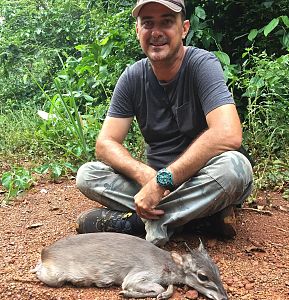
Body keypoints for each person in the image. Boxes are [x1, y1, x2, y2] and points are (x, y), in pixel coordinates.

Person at [75, 0, 253, 247]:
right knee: (87, 175)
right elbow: (105, 143)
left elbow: (229, 134)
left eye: (167, 22)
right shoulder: (132, 77)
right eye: (148, 23)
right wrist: (146, 175)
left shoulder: (202, 64)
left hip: (202, 178)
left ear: (184, 28)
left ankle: (139, 223)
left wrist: (163, 181)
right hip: (162, 186)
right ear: (138, 30)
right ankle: (202, 218)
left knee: (235, 167)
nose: (156, 32)